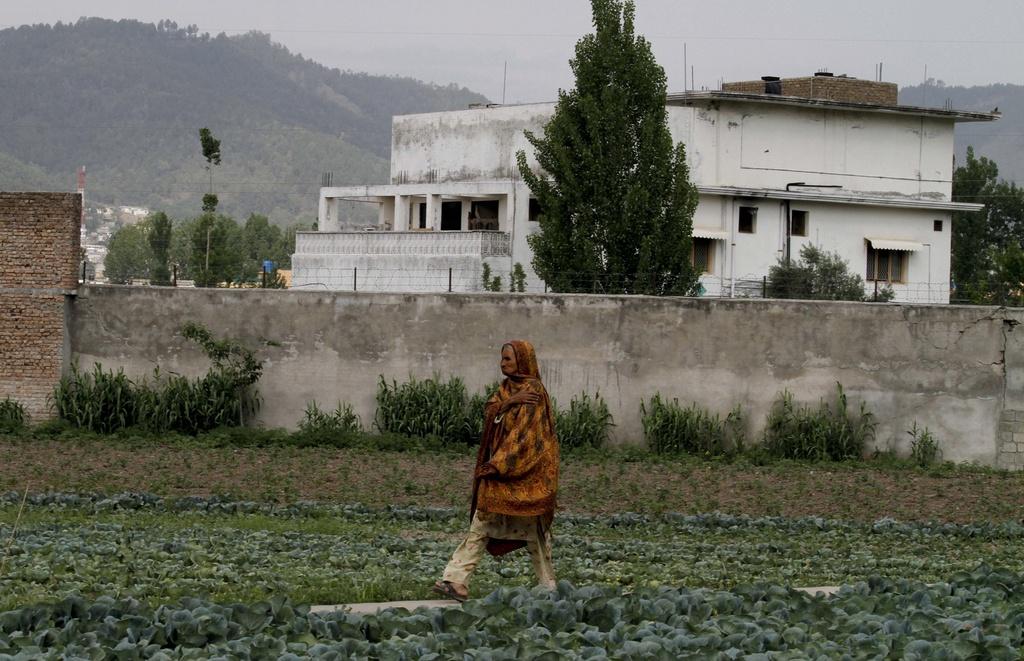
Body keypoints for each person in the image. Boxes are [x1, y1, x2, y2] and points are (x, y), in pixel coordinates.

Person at [433, 340, 560, 602]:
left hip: (525, 475)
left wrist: (497, 465)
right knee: (483, 522)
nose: (503, 364)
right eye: (502, 359)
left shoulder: (533, 390)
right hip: (503, 473)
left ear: (522, 361)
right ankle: (456, 580)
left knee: (534, 530)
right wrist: (510, 402)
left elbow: (524, 436)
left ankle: (549, 587)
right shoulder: (507, 389)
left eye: (508, 360)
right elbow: (490, 411)